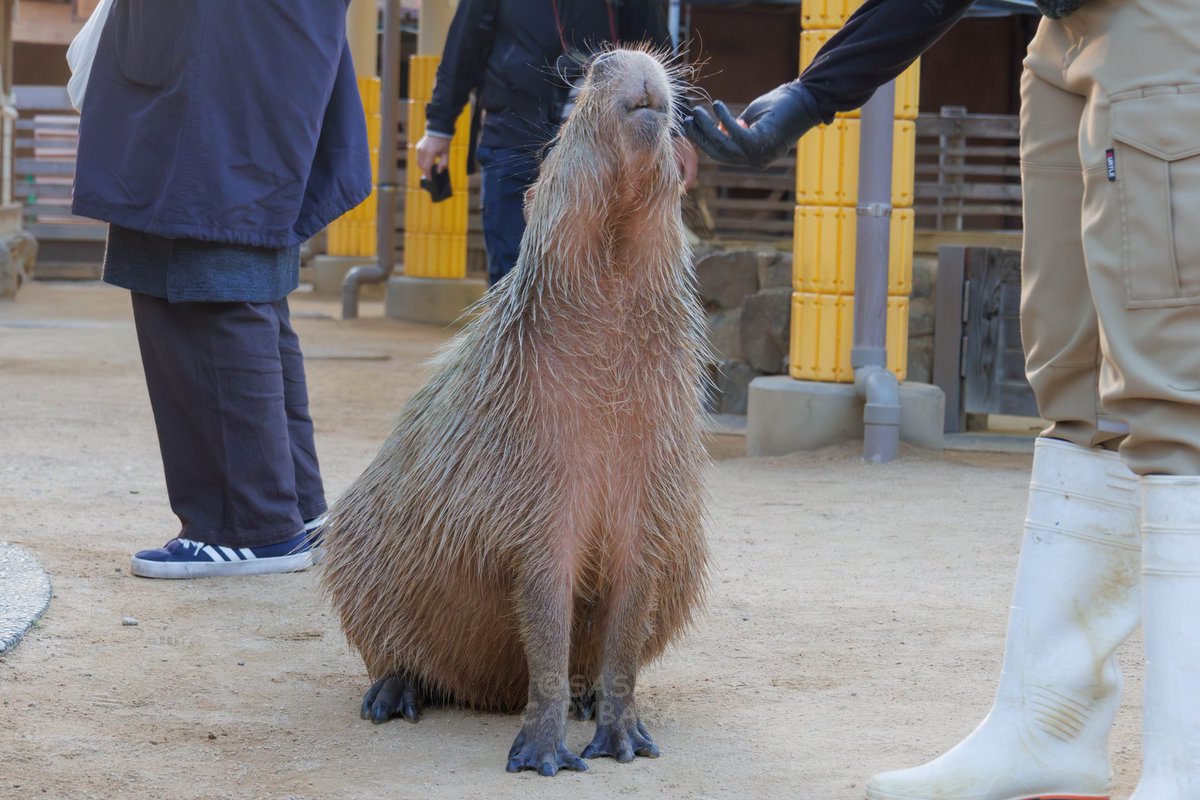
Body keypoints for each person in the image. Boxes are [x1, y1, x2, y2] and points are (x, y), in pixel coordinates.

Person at [690, 0, 1200, 797]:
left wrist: (816, 93)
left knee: (1174, 403)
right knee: (1074, 391)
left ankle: (1186, 769)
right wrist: (815, 92)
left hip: (1162, 25)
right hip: (1059, 35)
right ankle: (1049, 726)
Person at [71, 1, 373, 579]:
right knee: (244, 262)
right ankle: (291, 509)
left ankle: (249, 524)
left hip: (221, 38)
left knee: (206, 253)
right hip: (255, 40)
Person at [415, 0, 698, 287]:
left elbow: (656, 50)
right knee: (510, 275)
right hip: (512, 137)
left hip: (596, 150)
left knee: (592, 278)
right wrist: (439, 127)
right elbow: (464, 48)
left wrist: (677, 130)